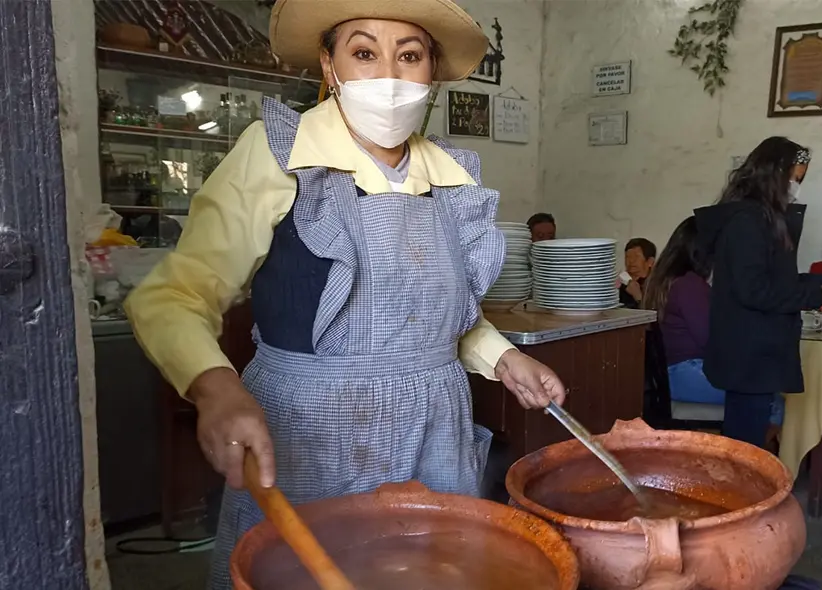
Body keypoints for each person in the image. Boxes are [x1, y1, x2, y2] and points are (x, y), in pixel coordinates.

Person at [124, 2, 567, 587]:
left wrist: (502, 357)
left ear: (431, 72)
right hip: (310, 428)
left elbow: (429, 312)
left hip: (434, 426)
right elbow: (174, 295)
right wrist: (216, 388)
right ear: (329, 66)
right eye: (364, 53)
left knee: (432, 572)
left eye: (409, 55)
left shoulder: (450, 176)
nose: (389, 75)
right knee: (301, 573)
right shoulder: (281, 154)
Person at [695, 138, 822, 447]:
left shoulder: (760, 218)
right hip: (749, 353)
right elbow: (754, 290)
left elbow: (774, 278)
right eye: (795, 178)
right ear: (775, 174)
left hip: (756, 350)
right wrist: (816, 297)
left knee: (747, 437)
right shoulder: (747, 222)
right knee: (745, 443)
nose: (796, 187)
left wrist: (821, 283)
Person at [642, 218, 721, 404]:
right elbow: (711, 341)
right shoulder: (689, 284)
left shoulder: (662, 281)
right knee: (767, 398)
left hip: (671, 376)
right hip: (688, 373)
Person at [620, 237, 656, 309]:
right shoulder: (621, 284)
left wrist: (638, 297)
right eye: (628, 257)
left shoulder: (657, 286)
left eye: (636, 256)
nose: (631, 261)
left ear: (650, 261)